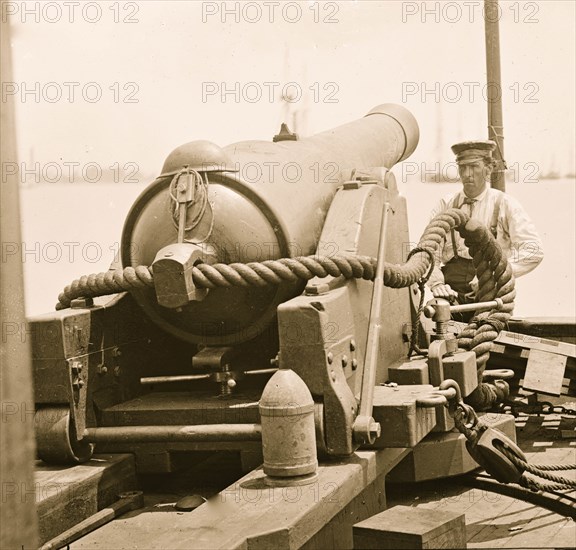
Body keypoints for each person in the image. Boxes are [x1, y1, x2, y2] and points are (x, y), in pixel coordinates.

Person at [428, 140, 543, 307]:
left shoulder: (505, 205)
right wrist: (437, 283)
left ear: (488, 169)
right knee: (435, 311)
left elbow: (534, 251)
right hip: (451, 291)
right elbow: (429, 252)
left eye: (474, 166)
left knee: (487, 324)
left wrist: (497, 272)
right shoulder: (445, 205)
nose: (467, 173)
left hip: (491, 292)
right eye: (463, 167)